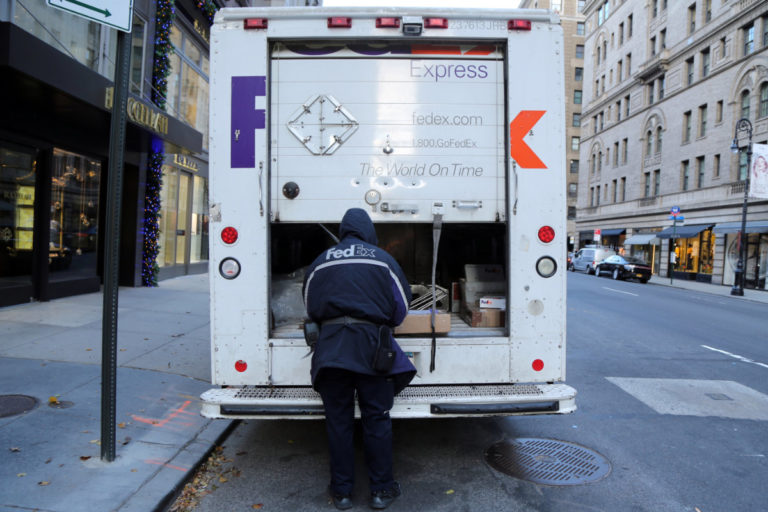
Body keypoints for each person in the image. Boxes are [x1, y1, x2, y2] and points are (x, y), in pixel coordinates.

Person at [303, 208, 416, 510]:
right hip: (372, 352)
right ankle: (381, 490)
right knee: (376, 419)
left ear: (343, 231)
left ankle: (341, 493)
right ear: (368, 231)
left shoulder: (321, 261)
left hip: (331, 352)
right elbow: (401, 308)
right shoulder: (383, 259)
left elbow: (310, 307)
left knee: (338, 422)